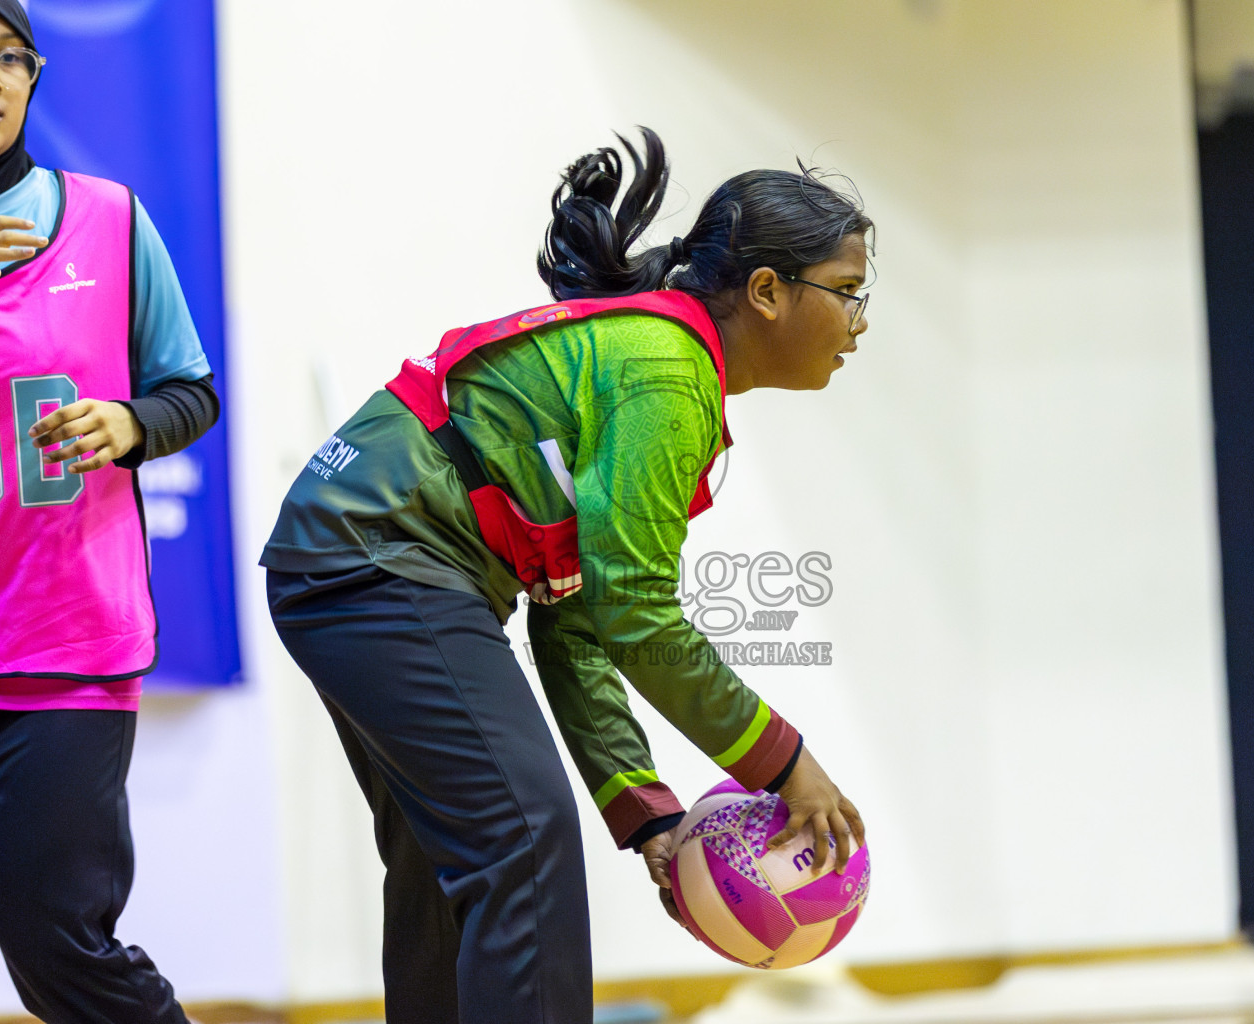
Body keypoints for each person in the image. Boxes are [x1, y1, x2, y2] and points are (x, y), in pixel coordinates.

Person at [262, 127, 870, 1024]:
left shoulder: (660, 361)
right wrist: (788, 767)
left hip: (348, 554)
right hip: (381, 555)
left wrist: (649, 811)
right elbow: (638, 615)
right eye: (848, 293)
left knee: (452, 860)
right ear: (770, 292)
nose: (859, 323)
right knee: (524, 837)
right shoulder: (667, 373)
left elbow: (579, 616)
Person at [0, 3, 219, 1021]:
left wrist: (131, 427)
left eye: (9, 58)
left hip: (62, 653)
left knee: (60, 950)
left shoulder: (108, 216)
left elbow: (190, 389)